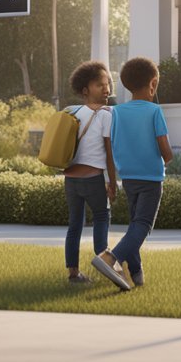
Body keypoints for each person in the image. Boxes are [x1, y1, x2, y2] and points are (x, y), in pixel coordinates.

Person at [91, 56, 173, 291]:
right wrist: (167, 158)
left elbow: (111, 145)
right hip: (151, 179)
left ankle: (136, 275)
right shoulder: (154, 111)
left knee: (135, 224)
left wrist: (113, 177)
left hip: (129, 179)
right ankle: (111, 257)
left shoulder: (115, 113)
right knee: (144, 225)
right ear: (153, 83)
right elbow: (165, 150)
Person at [62, 61, 117, 284]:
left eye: (107, 84)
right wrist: (112, 183)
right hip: (93, 179)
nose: (106, 89)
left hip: (71, 179)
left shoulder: (71, 113)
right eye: (99, 85)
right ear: (85, 90)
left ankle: (73, 273)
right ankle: (103, 264)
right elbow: (109, 154)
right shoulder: (106, 114)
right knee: (102, 217)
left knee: (75, 223)